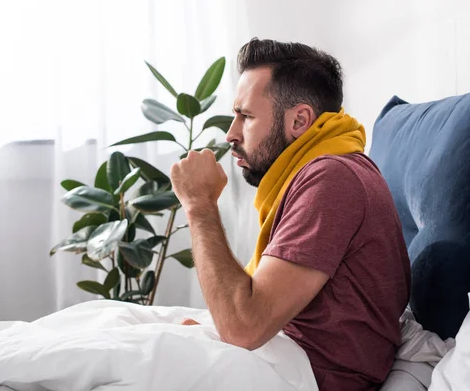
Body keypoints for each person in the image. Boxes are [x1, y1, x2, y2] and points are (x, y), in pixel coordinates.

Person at [170, 38, 411, 391]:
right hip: (284, 356)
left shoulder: (332, 180)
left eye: (246, 116)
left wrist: (199, 205)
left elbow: (244, 327)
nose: (231, 134)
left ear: (299, 120)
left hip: (309, 376)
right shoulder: (326, 169)